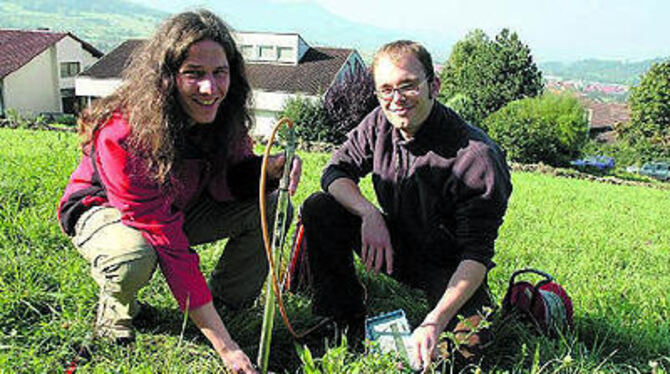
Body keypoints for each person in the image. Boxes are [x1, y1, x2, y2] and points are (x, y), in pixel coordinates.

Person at [58, 9, 300, 374]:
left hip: (180, 204)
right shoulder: (124, 134)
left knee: (273, 207)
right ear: (167, 77)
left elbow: (227, 183)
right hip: (105, 209)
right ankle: (118, 310)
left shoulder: (224, 115)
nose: (210, 88)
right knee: (134, 258)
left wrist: (270, 170)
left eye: (220, 73)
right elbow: (165, 237)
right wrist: (226, 348)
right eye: (194, 74)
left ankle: (225, 306)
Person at [301, 40, 512, 370]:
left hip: (452, 267)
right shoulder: (379, 123)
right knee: (320, 207)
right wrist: (369, 213)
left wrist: (434, 322)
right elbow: (335, 172)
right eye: (385, 89)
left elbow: (476, 256)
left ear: (434, 86)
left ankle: (448, 321)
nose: (396, 100)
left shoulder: (477, 159)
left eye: (408, 86)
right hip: (395, 245)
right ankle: (339, 317)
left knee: (455, 356)